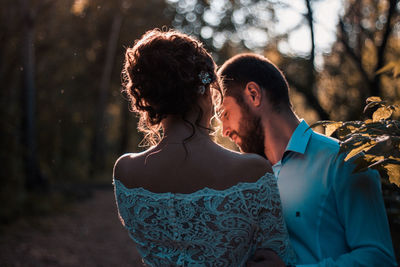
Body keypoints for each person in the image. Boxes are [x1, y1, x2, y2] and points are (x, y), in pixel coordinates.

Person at [112, 29, 296, 266]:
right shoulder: (252, 171)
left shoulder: (126, 172)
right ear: (206, 91)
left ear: (148, 98)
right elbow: (278, 256)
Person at [217, 53, 397, 266]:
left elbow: (379, 258)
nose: (224, 131)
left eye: (225, 114)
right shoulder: (247, 178)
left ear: (254, 95)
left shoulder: (342, 160)